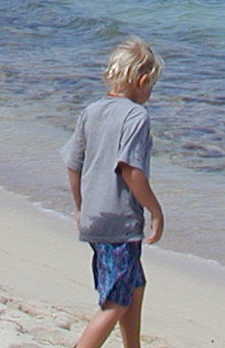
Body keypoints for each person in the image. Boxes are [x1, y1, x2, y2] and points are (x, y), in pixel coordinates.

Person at [61, 37, 165, 348]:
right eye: (151, 87)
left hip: (94, 218)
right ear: (142, 81)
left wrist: (81, 207)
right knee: (115, 301)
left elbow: (73, 164)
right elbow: (131, 171)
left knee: (134, 286)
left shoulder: (92, 111)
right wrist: (155, 211)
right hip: (119, 223)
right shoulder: (136, 116)